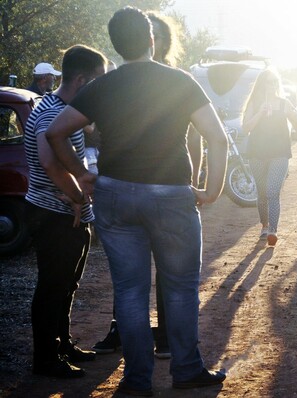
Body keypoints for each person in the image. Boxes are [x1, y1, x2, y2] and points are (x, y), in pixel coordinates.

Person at [45, 7, 228, 395]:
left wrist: (82, 173)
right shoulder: (180, 81)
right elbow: (217, 137)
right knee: (180, 287)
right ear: (151, 40)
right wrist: (210, 191)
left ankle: (137, 380)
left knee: (129, 290)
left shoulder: (102, 86)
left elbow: (55, 133)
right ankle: (186, 369)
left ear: (116, 44)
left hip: (115, 194)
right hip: (171, 195)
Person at [92, 11, 186, 358]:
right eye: (152, 34)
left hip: (168, 184)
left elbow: (196, 139)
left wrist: (194, 180)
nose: (155, 40)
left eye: (160, 35)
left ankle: (163, 337)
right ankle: (121, 333)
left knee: (167, 267)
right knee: (128, 271)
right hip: (125, 183)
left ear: (163, 42)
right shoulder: (120, 82)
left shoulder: (177, 81)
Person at [24, 45, 107, 378]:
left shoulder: (62, 108)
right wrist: (76, 196)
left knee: (66, 285)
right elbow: (48, 161)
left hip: (64, 214)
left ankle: (62, 344)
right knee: (52, 287)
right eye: (98, 82)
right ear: (83, 79)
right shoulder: (51, 113)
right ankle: (46, 359)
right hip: (55, 214)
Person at [242, 68, 297, 246]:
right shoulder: (254, 103)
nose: (273, 85)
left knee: (272, 191)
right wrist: (260, 112)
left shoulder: (284, 103)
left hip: (279, 154)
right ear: (262, 83)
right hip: (257, 153)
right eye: (269, 82)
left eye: (275, 82)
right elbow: (246, 128)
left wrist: (295, 125)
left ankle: (273, 231)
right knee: (261, 193)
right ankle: (264, 226)